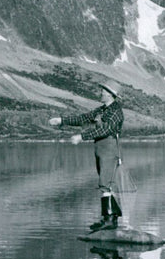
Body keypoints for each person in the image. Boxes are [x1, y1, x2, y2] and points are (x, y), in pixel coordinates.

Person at [50, 82, 125, 226]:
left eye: (103, 90)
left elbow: (105, 130)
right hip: (101, 148)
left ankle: (109, 221)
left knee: (106, 184)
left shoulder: (116, 111)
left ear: (110, 94)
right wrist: (62, 120)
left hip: (110, 148)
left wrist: (81, 137)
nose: (101, 92)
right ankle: (110, 218)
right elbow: (84, 118)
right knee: (106, 183)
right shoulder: (103, 109)